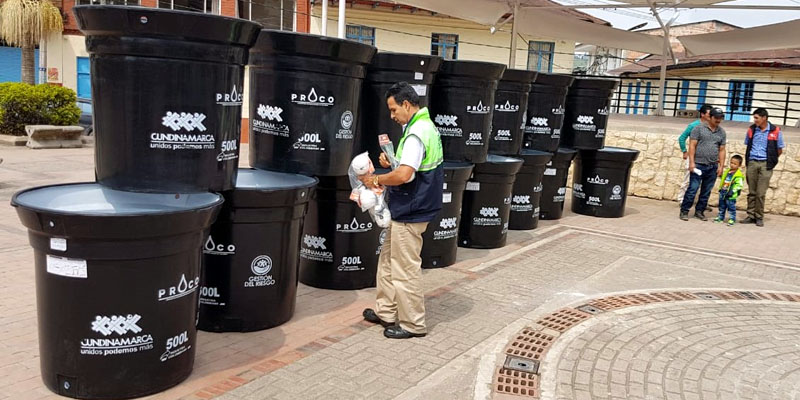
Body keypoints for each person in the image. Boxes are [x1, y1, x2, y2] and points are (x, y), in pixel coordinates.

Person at [358, 82, 444, 339]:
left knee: (405, 269)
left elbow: (405, 175)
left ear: (407, 104)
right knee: (387, 262)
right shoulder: (421, 127)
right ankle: (387, 312)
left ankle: (413, 324)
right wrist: (392, 162)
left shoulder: (418, 131)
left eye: (394, 110)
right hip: (406, 208)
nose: (392, 116)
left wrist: (377, 179)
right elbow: (409, 166)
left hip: (412, 210)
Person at [680, 107, 727, 221]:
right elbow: (692, 145)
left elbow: (722, 150)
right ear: (710, 117)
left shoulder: (721, 132)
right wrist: (691, 162)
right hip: (698, 165)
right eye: (716, 117)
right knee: (693, 189)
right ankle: (684, 210)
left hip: (712, 166)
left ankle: (699, 211)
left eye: (720, 118)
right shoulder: (698, 129)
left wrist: (721, 166)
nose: (718, 120)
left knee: (706, 191)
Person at [741, 108, 785, 227]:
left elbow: (779, 149)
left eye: (756, 118)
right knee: (752, 191)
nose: (754, 120)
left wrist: (771, 160)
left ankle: (759, 216)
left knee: (760, 193)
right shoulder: (751, 129)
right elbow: (748, 145)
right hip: (752, 162)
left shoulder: (775, 131)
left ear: (764, 118)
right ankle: (750, 215)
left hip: (766, 164)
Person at [677, 104, 714, 203]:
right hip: (693, 156)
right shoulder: (693, 126)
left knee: (702, 181)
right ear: (702, 114)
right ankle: (681, 200)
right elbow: (681, 138)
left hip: (705, 157)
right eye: (709, 114)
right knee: (688, 178)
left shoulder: (711, 126)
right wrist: (684, 151)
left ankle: (699, 202)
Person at [714, 155, 744, 226]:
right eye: (731, 163)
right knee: (722, 206)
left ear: (739, 165)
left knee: (731, 207)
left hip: (731, 194)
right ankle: (720, 217)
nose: (732, 165)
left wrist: (733, 191)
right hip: (723, 191)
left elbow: (739, 185)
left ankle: (732, 218)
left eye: (735, 164)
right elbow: (723, 179)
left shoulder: (738, 175)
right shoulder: (727, 171)